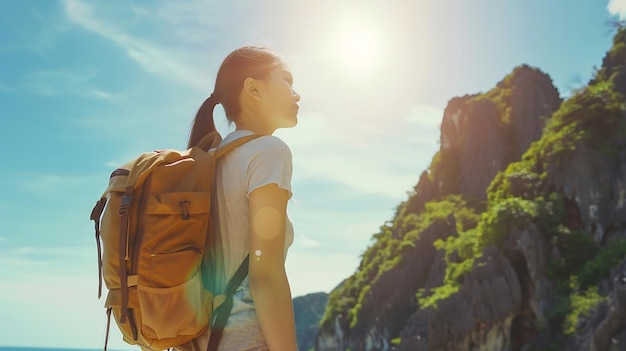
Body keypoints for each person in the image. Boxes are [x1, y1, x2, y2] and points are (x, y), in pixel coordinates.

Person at [182, 46, 300, 351]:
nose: (296, 94)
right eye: (286, 80)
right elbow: (265, 275)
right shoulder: (268, 152)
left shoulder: (207, 161)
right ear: (253, 88)